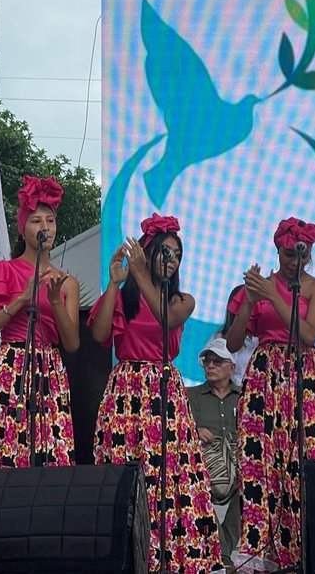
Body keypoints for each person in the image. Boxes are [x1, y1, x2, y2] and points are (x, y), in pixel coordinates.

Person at [224, 217, 315, 573]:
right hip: (265, 376)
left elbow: (309, 332)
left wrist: (273, 297)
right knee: (266, 465)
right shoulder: (260, 286)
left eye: (301, 255)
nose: (294, 262)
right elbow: (234, 342)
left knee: (313, 456)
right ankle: (267, 555)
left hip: (306, 376)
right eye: (288, 254)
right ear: (278, 251)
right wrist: (250, 303)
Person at [89, 213, 220, 574]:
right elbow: (100, 336)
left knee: (169, 474)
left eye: (176, 254)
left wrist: (142, 273)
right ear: (148, 253)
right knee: (129, 473)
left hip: (163, 390)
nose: (171, 259)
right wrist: (116, 283)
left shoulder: (182, 300)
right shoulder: (127, 297)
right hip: (126, 391)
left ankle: (174, 555)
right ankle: (129, 556)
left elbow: (166, 321)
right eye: (164, 251)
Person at [0, 174, 80, 467]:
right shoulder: (1, 271)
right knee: (5, 451)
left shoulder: (67, 281)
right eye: (36, 220)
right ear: (23, 228)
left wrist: (55, 300)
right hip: (11, 367)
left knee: (49, 454)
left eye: (50, 220)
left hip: (49, 369)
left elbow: (71, 344)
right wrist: (20, 300)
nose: (45, 227)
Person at [186, 336, 241, 572]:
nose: (210, 366)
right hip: (204, 459)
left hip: (238, 459)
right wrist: (195, 430)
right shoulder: (191, 396)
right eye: (207, 361)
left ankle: (226, 553)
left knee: (250, 483)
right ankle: (224, 557)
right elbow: (179, 425)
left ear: (231, 367)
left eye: (217, 362)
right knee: (197, 487)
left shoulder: (245, 396)